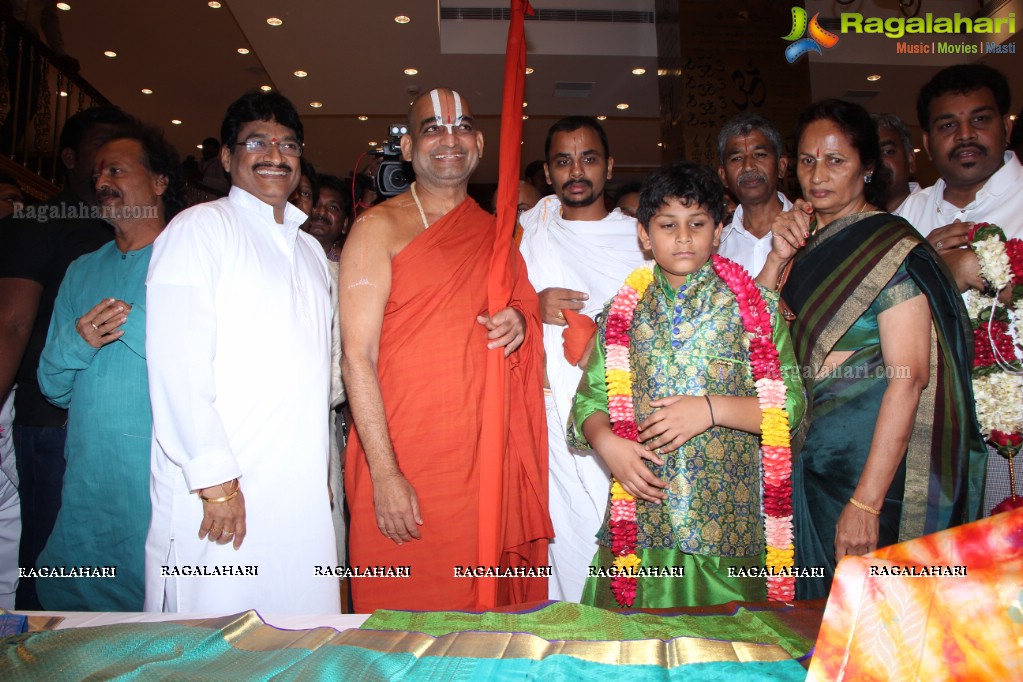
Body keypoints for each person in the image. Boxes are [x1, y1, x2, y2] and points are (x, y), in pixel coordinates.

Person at [758, 99, 986, 599]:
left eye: (836, 161)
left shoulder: (889, 248)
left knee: (874, 626)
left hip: (869, 470)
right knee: (815, 624)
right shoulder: (804, 243)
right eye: (806, 160)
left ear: (866, 169)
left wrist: (866, 503)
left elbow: (910, 378)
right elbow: (756, 336)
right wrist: (777, 261)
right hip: (811, 459)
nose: (818, 175)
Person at [340, 87, 551, 612]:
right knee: (401, 632)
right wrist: (385, 475)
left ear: (478, 143)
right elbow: (356, 358)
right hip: (402, 460)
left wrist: (521, 323)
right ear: (409, 148)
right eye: (433, 127)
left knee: (478, 635)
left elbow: (522, 315)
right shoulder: (376, 228)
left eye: (460, 127)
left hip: (482, 467)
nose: (449, 139)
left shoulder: (498, 235)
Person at [568, 161, 805, 607]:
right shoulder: (623, 313)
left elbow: (792, 406)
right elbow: (588, 401)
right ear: (644, 235)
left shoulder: (755, 308)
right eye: (667, 225)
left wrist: (712, 409)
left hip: (727, 531)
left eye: (697, 223)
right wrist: (607, 444)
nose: (682, 237)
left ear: (718, 231)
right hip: (640, 527)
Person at [144, 91, 340, 614]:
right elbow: (176, 367)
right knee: (213, 639)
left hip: (294, 491)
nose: (276, 154)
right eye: (257, 141)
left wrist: (316, 477)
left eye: (288, 143)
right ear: (227, 158)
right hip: (222, 490)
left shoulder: (310, 253)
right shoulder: (199, 231)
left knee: (297, 633)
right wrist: (215, 482)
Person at [35, 124, 184, 611]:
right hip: (87, 482)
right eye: (98, 172)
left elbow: (207, 368)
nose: (103, 181)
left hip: (161, 482)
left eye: (117, 169)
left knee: (164, 625)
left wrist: (130, 320)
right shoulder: (82, 269)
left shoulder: (190, 257)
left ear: (159, 182)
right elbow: (51, 384)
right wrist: (79, 343)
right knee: (71, 609)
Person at [0, 104, 130, 609]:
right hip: (48, 419)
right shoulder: (37, 223)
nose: (110, 167)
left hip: (105, 428)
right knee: (47, 559)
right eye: (102, 154)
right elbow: (10, 323)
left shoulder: (117, 228)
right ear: (71, 158)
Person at [518, 115, 646, 602]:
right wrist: (533, 303)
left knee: (625, 546)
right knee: (569, 545)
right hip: (552, 419)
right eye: (563, 161)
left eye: (589, 158)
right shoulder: (533, 229)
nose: (577, 171)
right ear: (547, 174)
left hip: (625, 417)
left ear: (609, 166)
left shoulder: (639, 240)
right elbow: (490, 307)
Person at [898, 64, 1020, 516]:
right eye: (949, 125)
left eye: (980, 119)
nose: (965, 135)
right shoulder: (910, 212)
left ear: (1005, 127)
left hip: (1013, 427)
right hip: (928, 425)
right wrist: (926, 265)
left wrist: (981, 270)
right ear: (928, 142)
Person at [301, 172, 350, 567]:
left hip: (317, 424)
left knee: (320, 546)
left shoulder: (346, 279)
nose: (319, 213)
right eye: (313, 202)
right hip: (253, 428)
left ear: (344, 224)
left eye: (332, 207)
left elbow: (343, 364)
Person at [716, 113, 791, 277]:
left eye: (760, 155)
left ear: (781, 166)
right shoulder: (714, 247)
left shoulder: (810, 230)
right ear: (723, 176)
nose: (748, 166)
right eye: (736, 158)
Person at [872, 113, 919, 213]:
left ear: (910, 159)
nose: (877, 161)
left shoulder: (940, 211)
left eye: (887, 152)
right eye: (869, 155)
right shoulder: (851, 222)